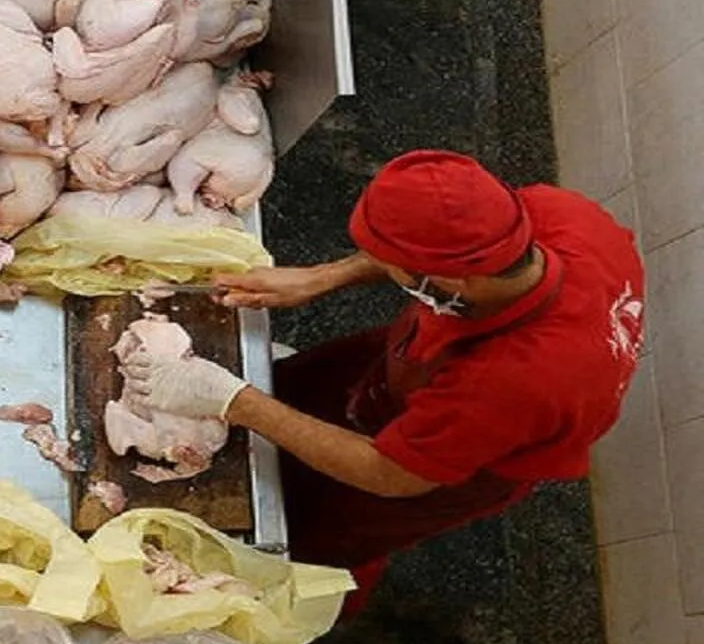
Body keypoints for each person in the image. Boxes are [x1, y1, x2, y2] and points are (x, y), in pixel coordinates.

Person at [128, 150, 645, 616]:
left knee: (321, 529)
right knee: (310, 388)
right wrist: (320, 277)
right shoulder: (557, 217)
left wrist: (236, 401)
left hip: (449, 453)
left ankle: (309, 598)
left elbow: (391, 472)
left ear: (447, 281)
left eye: (400, 266)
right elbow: (438, 246)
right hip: (420, 360)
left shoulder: (510, 382)